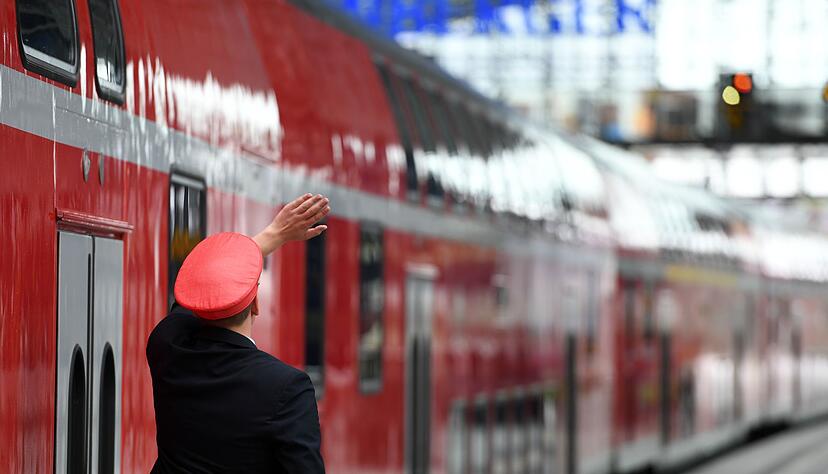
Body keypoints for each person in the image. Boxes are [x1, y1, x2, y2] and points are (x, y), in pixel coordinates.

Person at [147, 193, 330, 473]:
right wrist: (277, 234)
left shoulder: (167, 347)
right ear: (255, 303)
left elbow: (194, 295)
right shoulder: (287, 388)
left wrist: (273, 234)